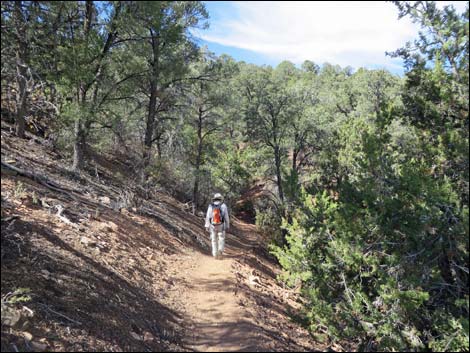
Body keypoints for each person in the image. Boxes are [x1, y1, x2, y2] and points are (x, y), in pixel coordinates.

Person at [205, 193, 230, 259]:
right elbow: (226, 216)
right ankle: (220, 251)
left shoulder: (211, 206)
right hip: (221, 225)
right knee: (221, 238)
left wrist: (207, 225)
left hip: (213, 225)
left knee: (213, 239)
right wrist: (227, 225)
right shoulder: (223, 205)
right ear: (220, 198)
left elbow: (208, 216)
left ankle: (215, 254)